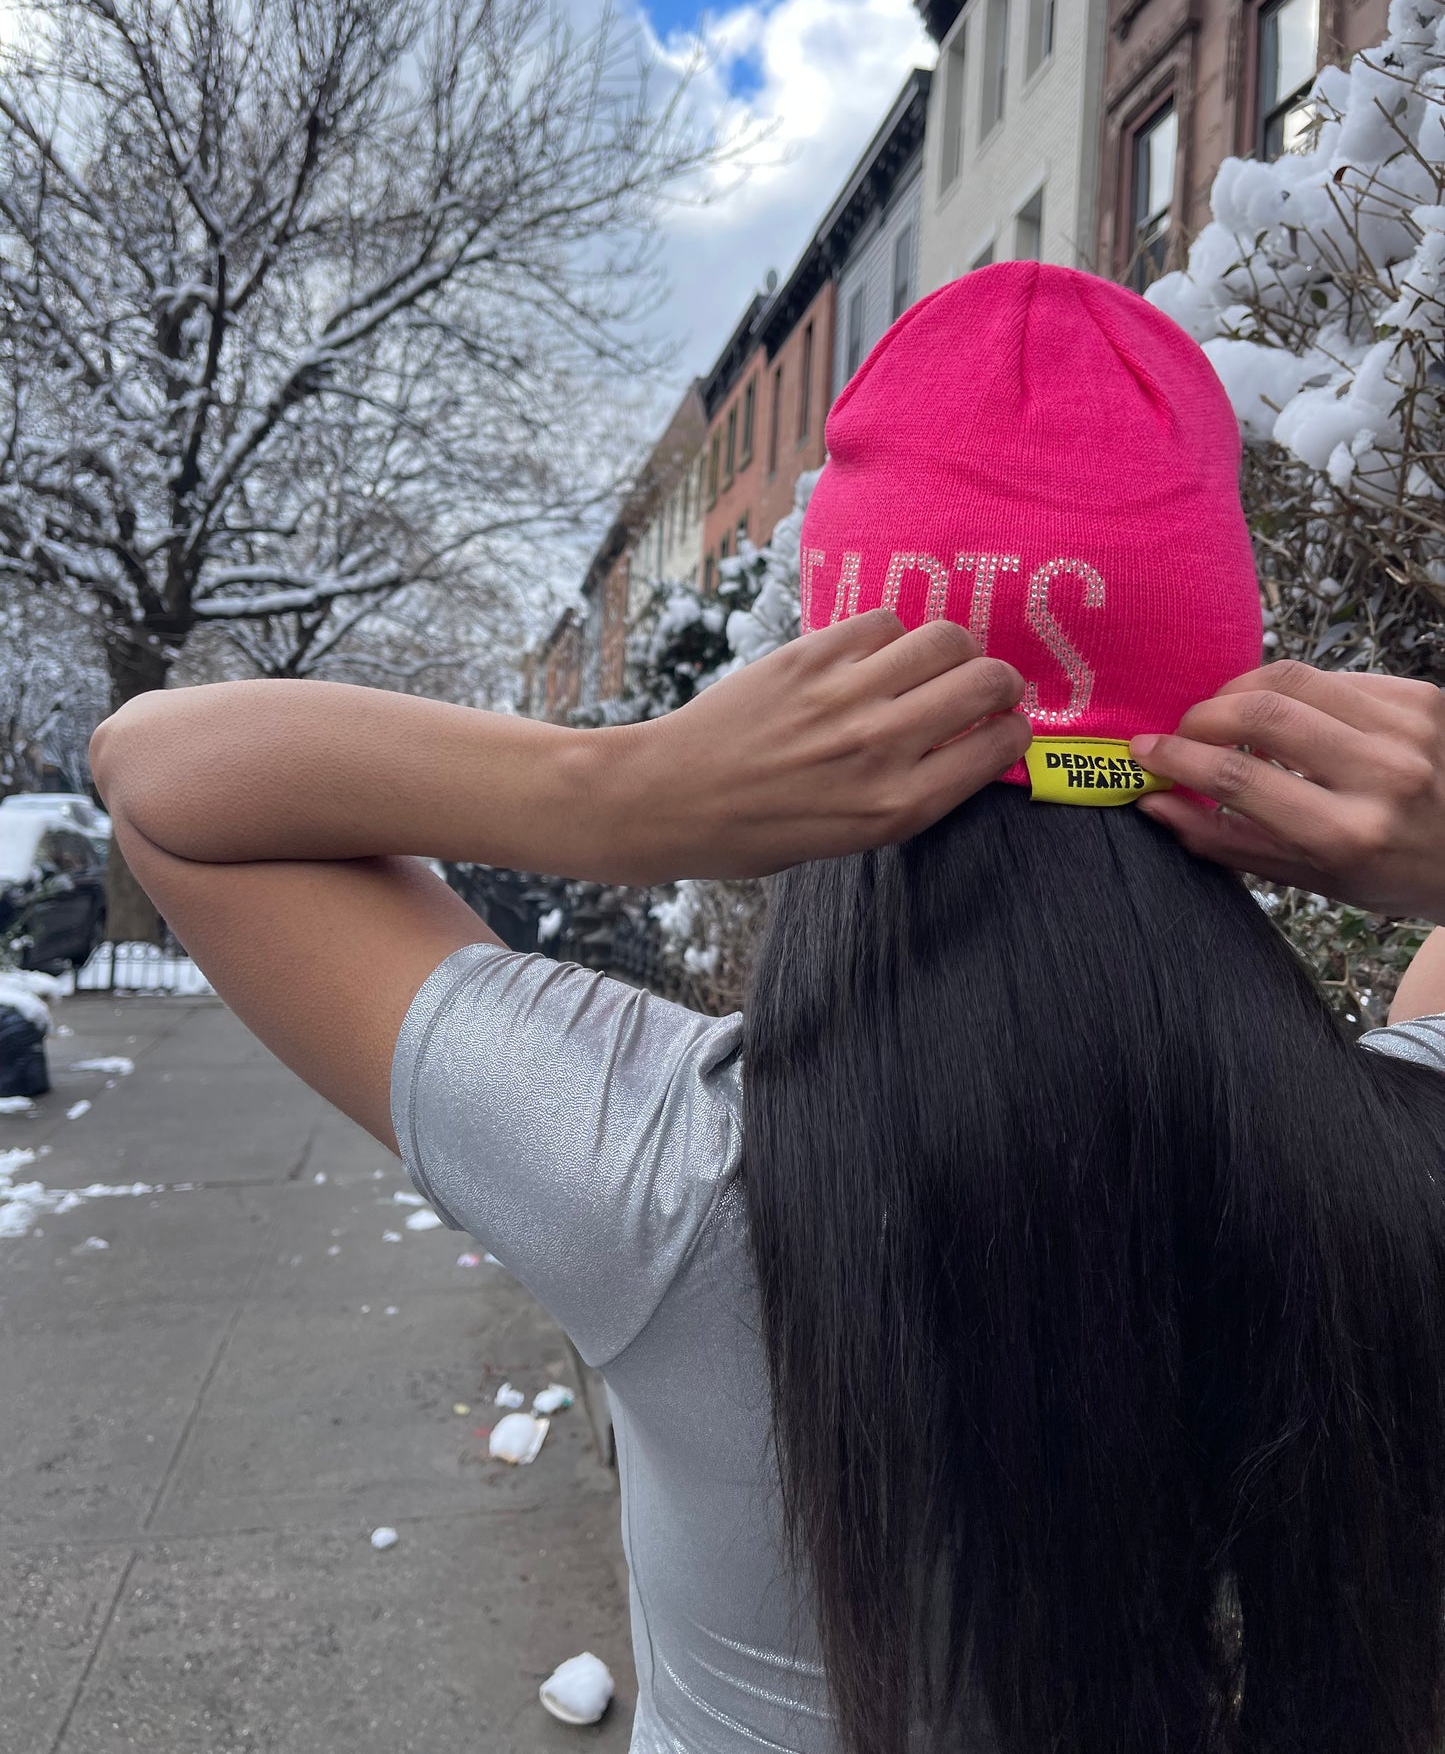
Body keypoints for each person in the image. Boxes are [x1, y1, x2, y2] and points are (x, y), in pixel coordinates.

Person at [90, 264, 1445, 1754]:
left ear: (806, 737)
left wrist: (617, 790)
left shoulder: (664, 1179)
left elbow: (161, 776)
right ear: (1217, 722)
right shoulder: (1396, 1181)